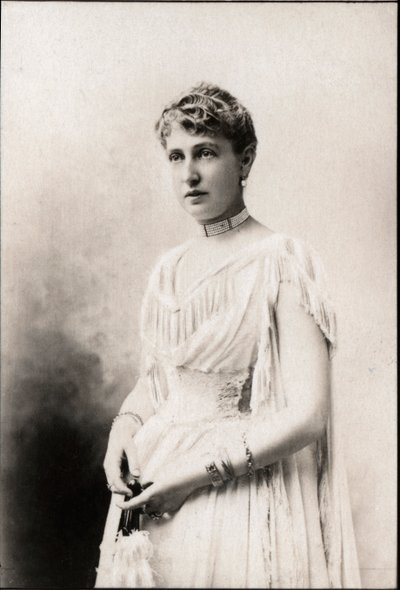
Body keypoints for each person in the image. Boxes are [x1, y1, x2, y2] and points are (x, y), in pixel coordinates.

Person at [95, 83, 361, 588]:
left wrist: (194, 476)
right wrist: (123, 428)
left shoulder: (282, 260)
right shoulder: (168, 269)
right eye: (176, 157)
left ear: (246, 159)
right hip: (155, 481)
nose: (188, 174)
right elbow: (161, 381)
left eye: (206, 153)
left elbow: (309, 415)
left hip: (235, 489)